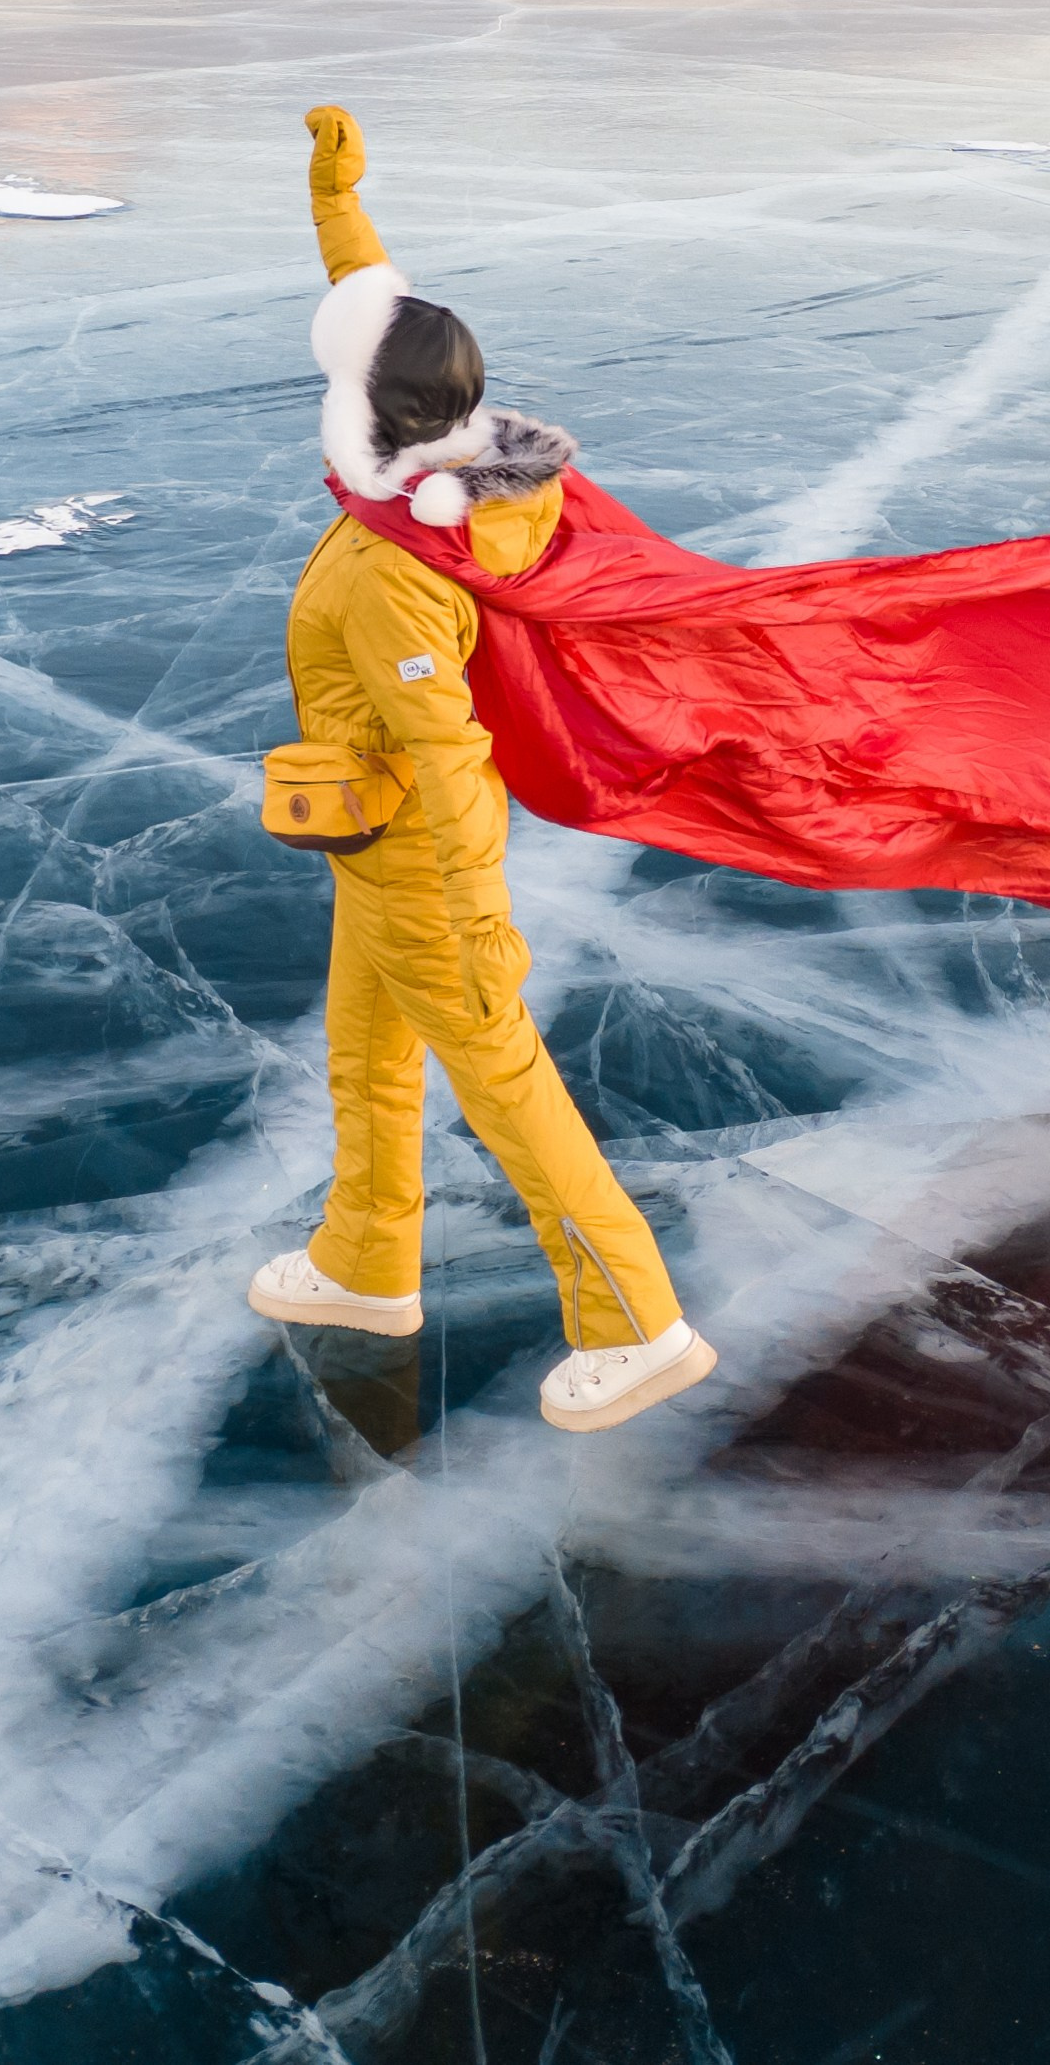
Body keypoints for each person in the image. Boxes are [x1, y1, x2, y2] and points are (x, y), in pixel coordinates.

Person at [247, 106, 716, 1434]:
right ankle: (365, 1262)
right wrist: (337, 199)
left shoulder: (398, 569)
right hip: (372, 846)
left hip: (420, 861)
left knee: (502, 1081)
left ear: (367, 414)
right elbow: (374, 310)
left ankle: (637, 1322)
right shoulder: (430, 487)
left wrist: (470, 914)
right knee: (366, 1055)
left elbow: (449, 758)